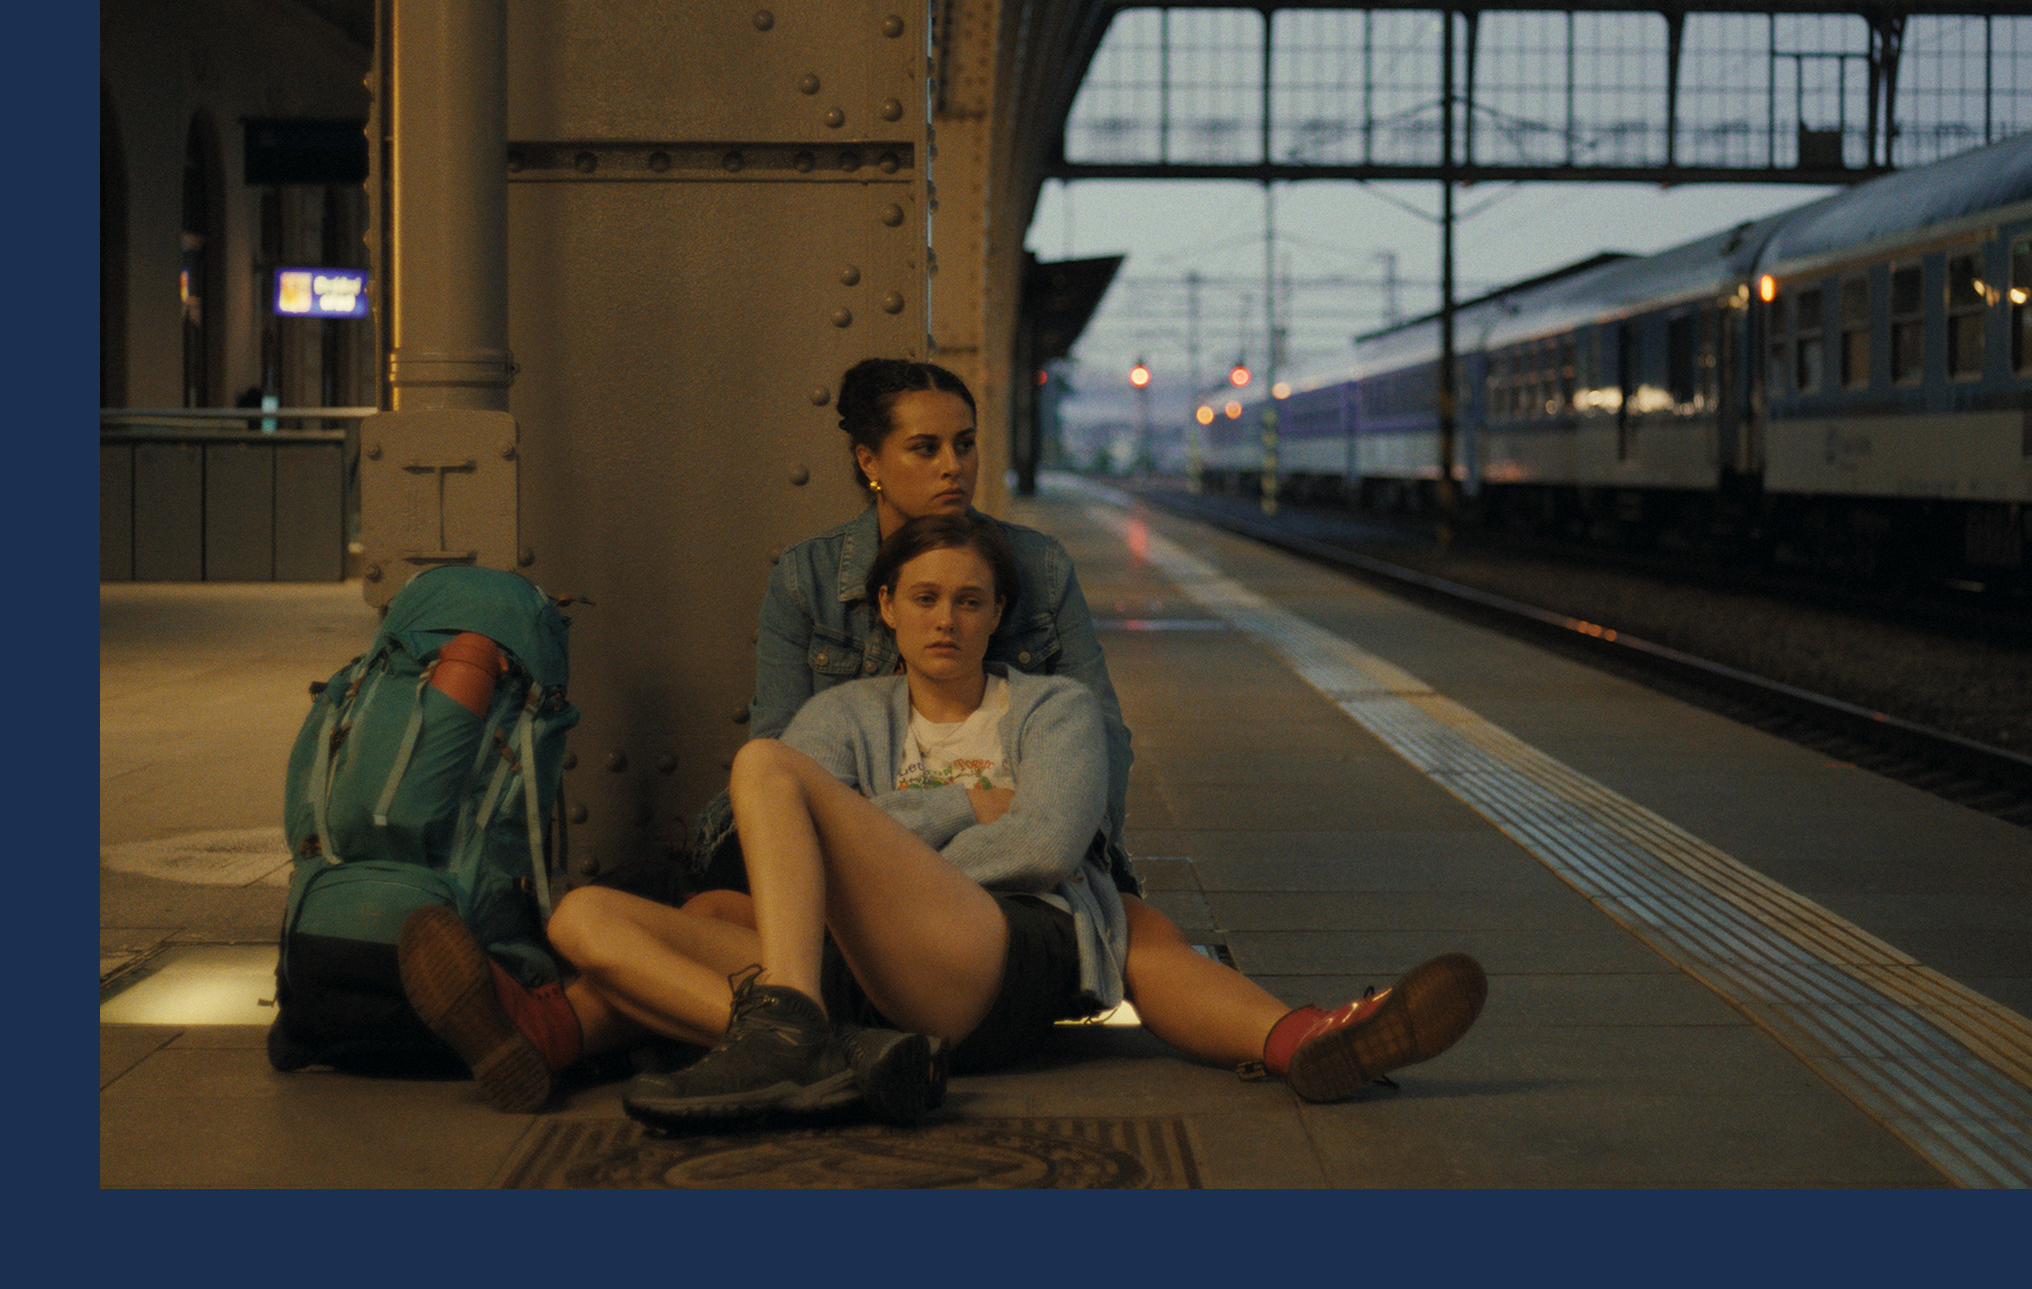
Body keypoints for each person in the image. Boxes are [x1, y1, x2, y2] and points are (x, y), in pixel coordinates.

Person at [680, 358, 1486, 1101]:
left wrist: (1073, 846)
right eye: (926, 448)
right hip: (851, 854)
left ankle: (1305, 1039)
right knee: (715, 916)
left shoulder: (1034, 567)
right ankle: (747, 1034)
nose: (954, 466)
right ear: (870, 461)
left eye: (965, 444)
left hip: (1007, 857)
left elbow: (1098, 730)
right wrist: (966, 812)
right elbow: (784, 759)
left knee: (1127, 925)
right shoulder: (809, 580)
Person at [399, 516, 1115, 1124]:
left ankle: (611, 1027)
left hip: (988, 959)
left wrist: (864, 863)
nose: (946, 620)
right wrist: (963, 806)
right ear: (888, 606)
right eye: (925, 598)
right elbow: (797, 840)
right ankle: (832, 1049)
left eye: (970, 601)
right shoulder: (842, 716)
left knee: (764, 764)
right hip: (858, 973)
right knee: (578, 918)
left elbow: (1045, 845)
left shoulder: (1054, 709)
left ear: (997, 612)